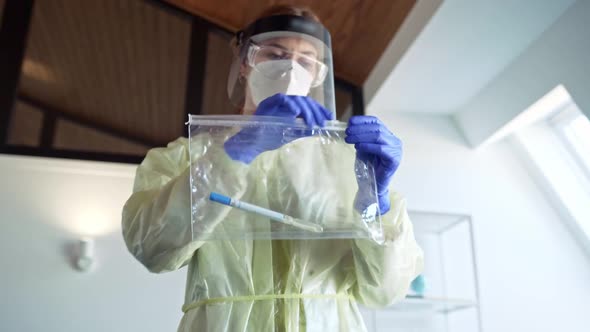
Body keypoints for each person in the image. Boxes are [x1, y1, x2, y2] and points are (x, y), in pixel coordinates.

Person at [122, 5, 423, 332]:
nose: (290, 69)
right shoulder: (184, 158)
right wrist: (234, 153)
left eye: (306, 61)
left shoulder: (345, 164)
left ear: (317, 76)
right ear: (244, 64)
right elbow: (151, 249)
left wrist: (375, 201)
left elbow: (385, 291)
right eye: (274, 55)